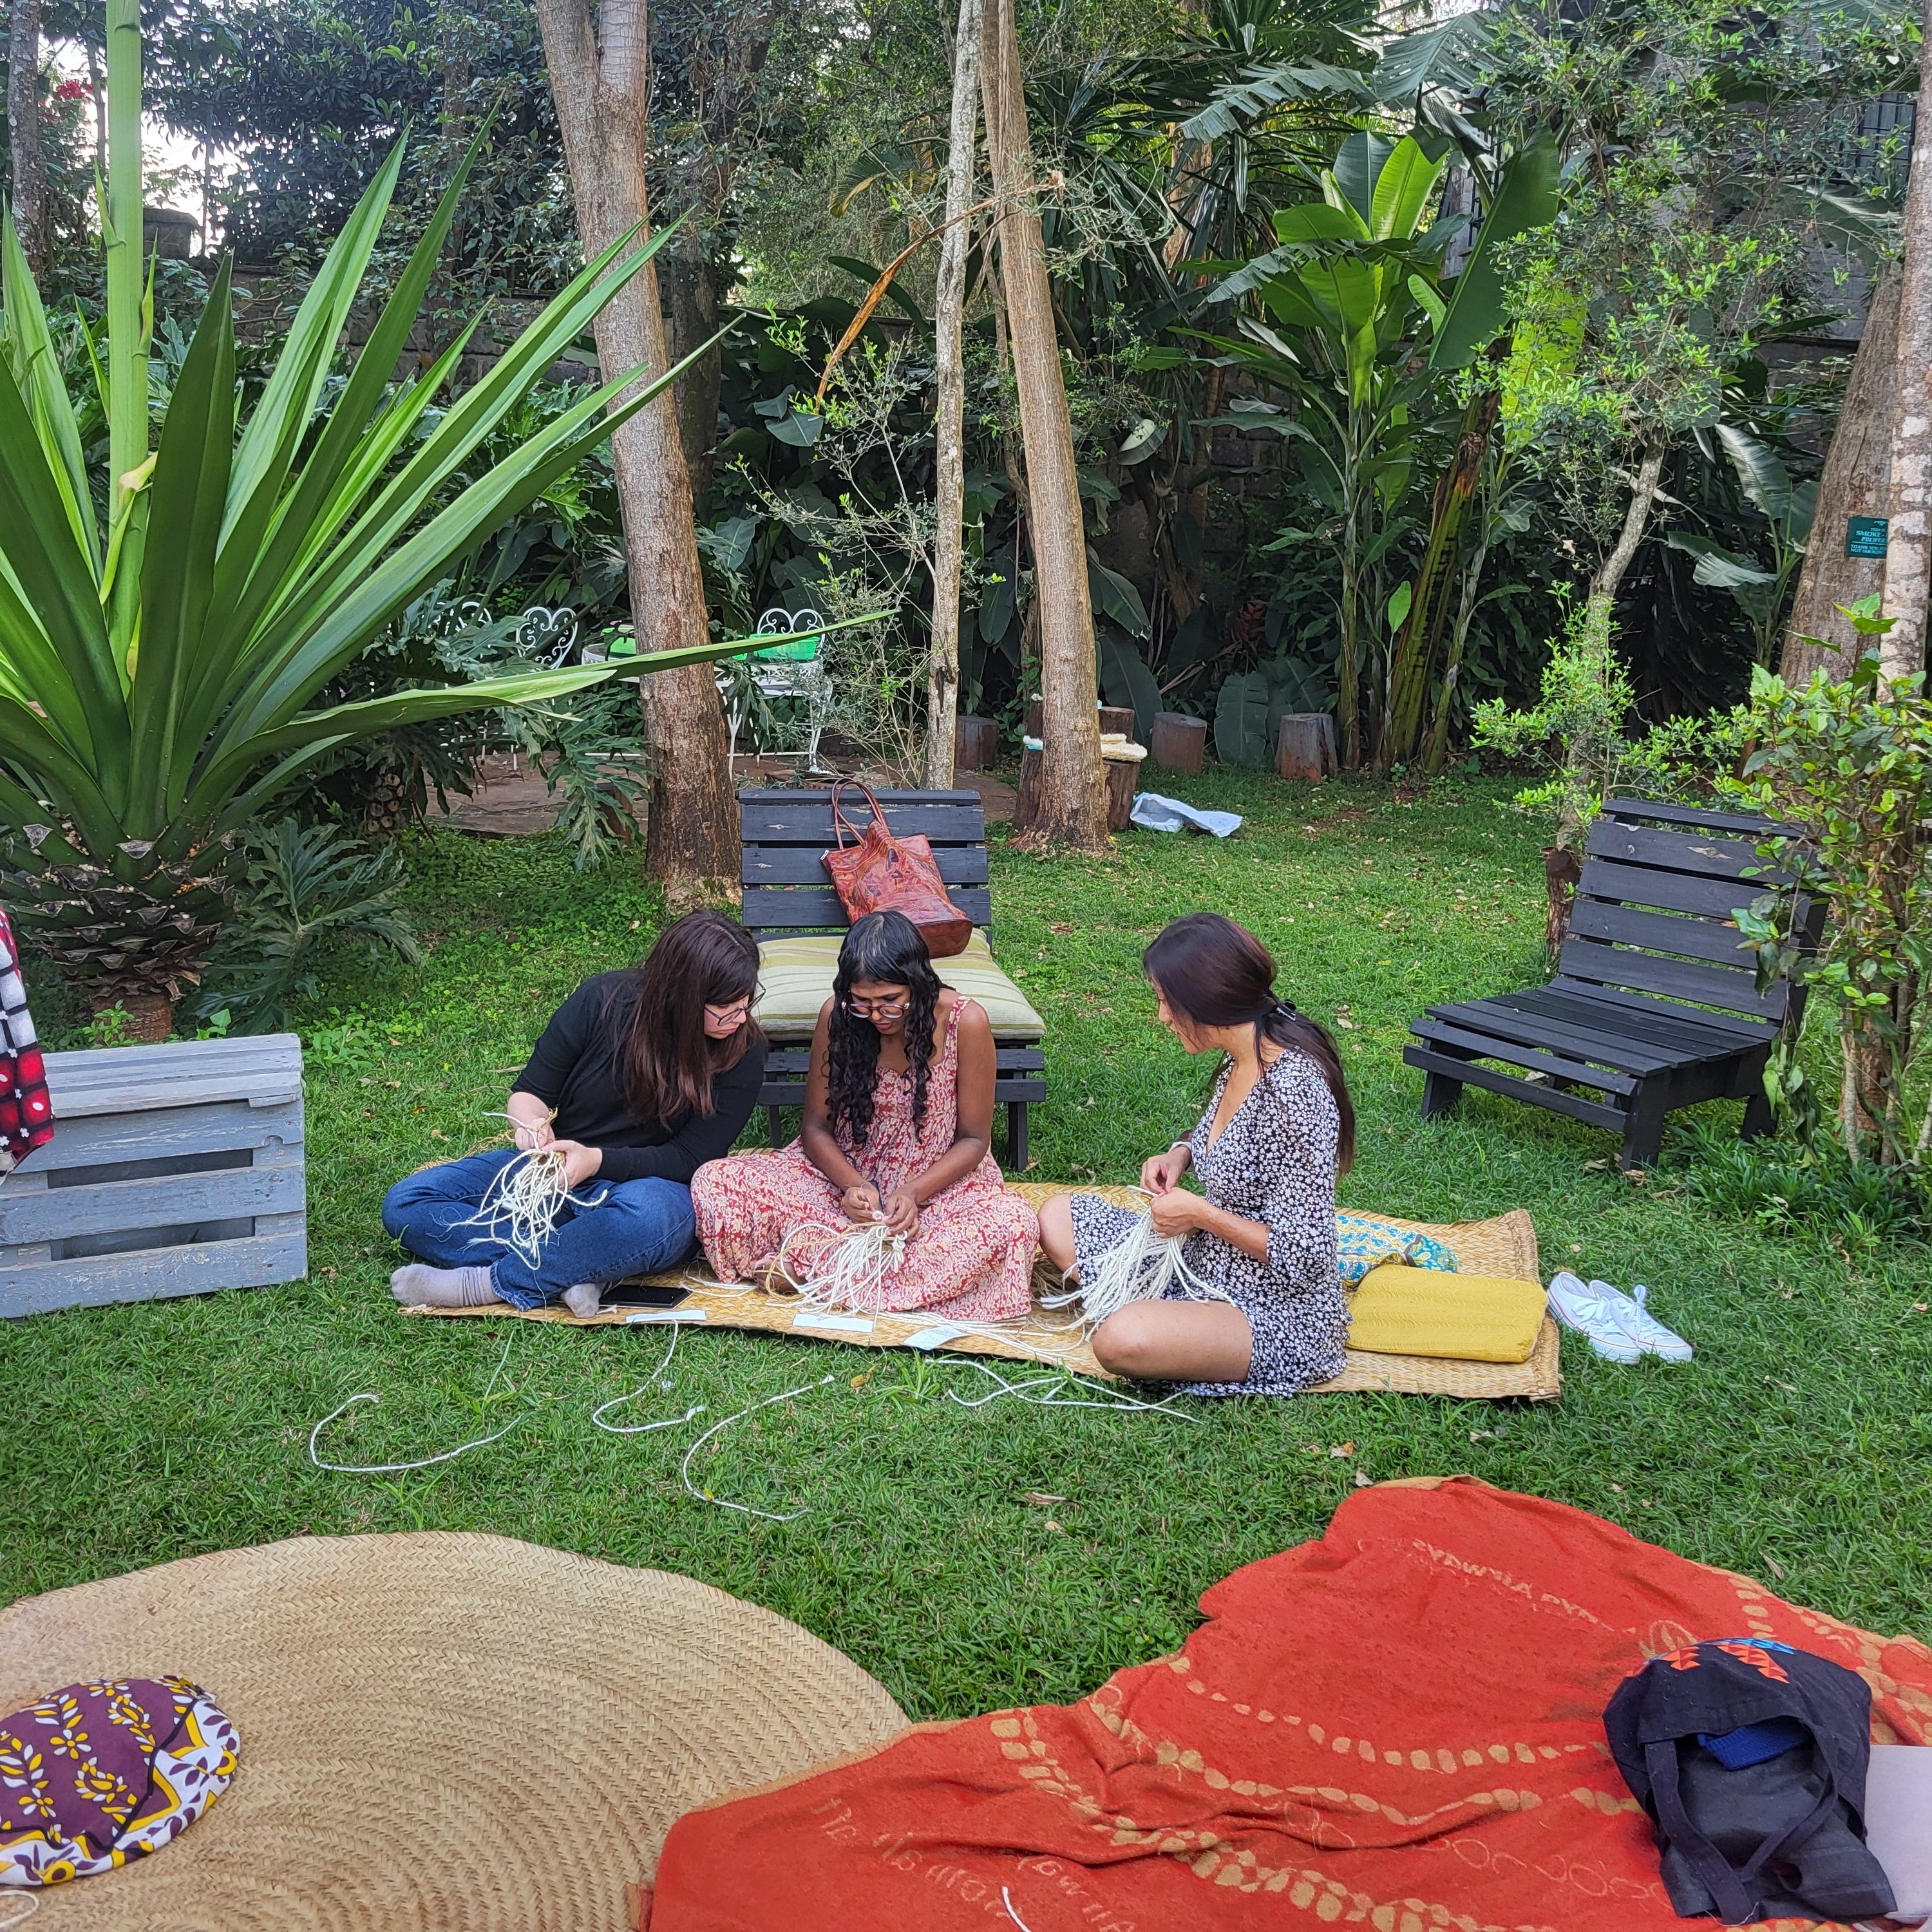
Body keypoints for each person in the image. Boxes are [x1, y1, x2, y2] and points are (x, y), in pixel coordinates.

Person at [382, 909, 766, 1314]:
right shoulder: (601, 1001)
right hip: (554, 1175)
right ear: (681, 996)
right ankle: (583, 1260)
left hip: (647, 1187)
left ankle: (483, 1284)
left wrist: (596, 1160)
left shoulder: (743, 1051)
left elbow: (691, 1158)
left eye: (746, 1002)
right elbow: (530, 1091)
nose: (740, 1019)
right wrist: (530, 1128)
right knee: (408, 1201)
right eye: (725, 1008)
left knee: (659, 1218)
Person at [1036, 911, 1352, 1396]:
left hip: (1271, 1308)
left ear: (1208, 1000)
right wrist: (1180, 1154)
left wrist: (1202, 1214)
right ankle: (1165, 1317)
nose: (1162, 1016)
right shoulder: (1245, 1054)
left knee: (1121, 1340)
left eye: (1167, 1001)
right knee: (1057, 1216)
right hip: (1201, 1264)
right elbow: (1223, 1138)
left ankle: (1158, 1321)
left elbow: (1305, 1257)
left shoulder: (1295, 1094)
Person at [692, 909, 1037, 1320]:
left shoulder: (966, 1021)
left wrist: (912, 1193)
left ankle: (814, 1267)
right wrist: (852, 1185)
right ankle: (863, 1269)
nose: (877, 1016)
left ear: (918, 984)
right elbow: (816, 1129)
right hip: (839, 1186)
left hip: (940, 1192)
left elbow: (975, 1141)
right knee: (714, 1183)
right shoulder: (836, 1017)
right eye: (863, 1003)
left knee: (1013, 1224)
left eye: (891, 1001)